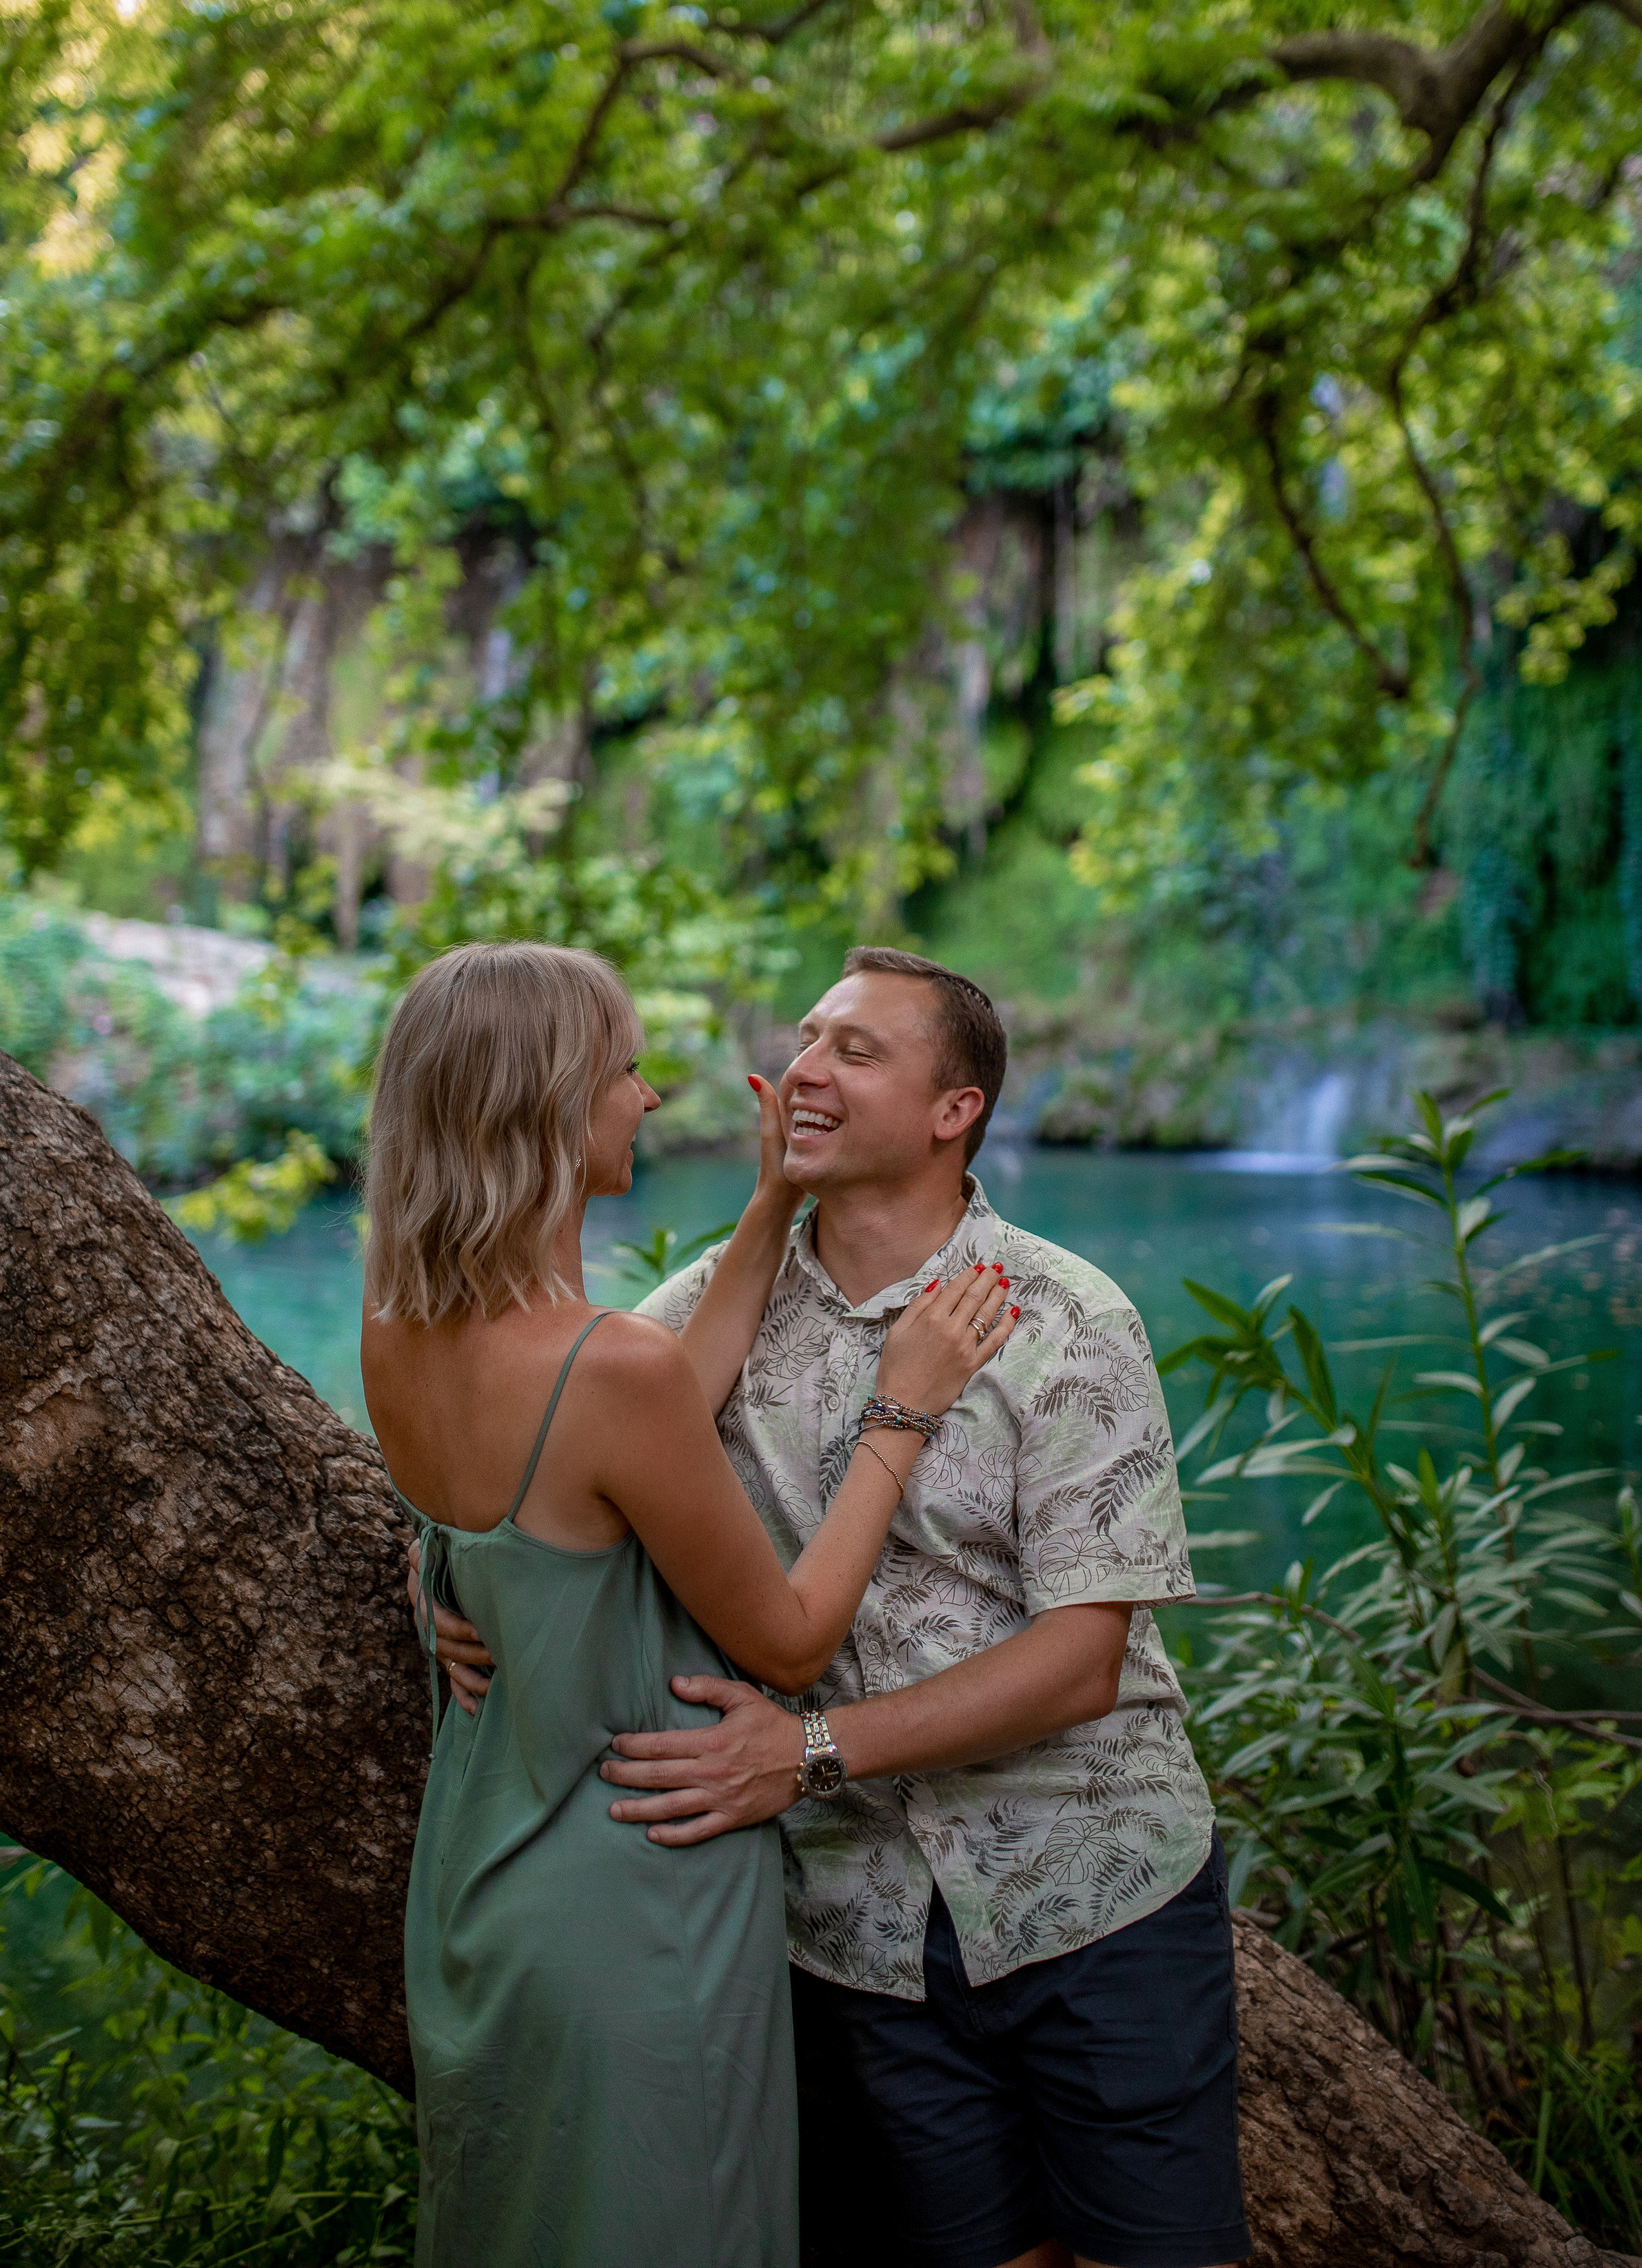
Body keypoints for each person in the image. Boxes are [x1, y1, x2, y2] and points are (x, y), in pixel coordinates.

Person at [430, 945, 1251, 2268]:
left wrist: (803, 1752)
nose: (802, 1071)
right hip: (852, 1925)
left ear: (954, 1110)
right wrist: (474, 1604)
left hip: (1090, 1888)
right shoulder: (697, 1313)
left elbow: (1082, 1664)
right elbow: (546, 1489)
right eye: (807, 1039)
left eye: (855, 1052)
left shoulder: (1068, 1316)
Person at [364, 939, 1016, 2268]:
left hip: (484, 1885)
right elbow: (788, 1634)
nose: (649, 1098)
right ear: (551, 1106)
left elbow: (622, 1426)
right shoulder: (601, 1368)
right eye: (625, 1069)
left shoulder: (401, 1327)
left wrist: (769, 1207)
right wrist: (904, 1409)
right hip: (638, 1890)